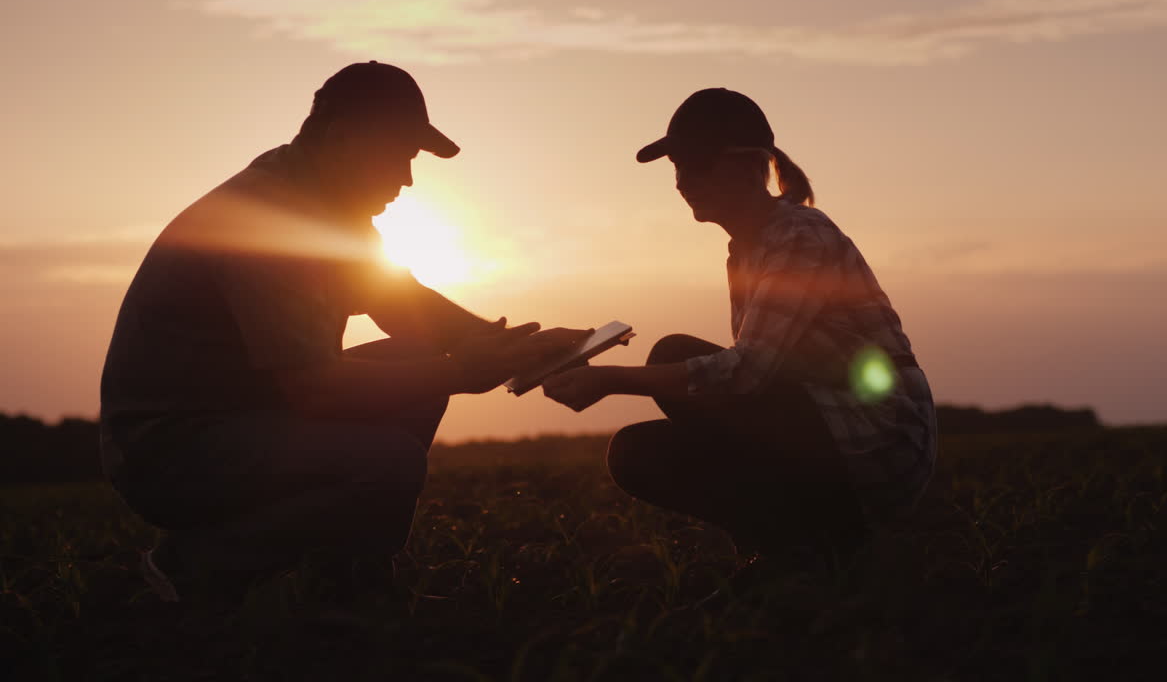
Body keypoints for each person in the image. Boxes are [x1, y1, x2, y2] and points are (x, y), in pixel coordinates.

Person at [100, 61, 585, 603]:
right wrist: (460, 371)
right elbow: (315, 388)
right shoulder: (268, 217)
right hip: (173, 453)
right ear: (341, 138)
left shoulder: (329, 207)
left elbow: (408, 308)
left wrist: (524, 349)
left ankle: (351, 580)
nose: (406, 178)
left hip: (244, 419)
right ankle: (195, 565)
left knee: (412, 359)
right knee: (390, 461)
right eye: (397, 155)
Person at [543, 88, 937, 571]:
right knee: (638, 450)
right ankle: (789, 546)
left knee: (671, 357)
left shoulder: (799, 236)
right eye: (677, 168)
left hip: (879, 438)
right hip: (827, 421)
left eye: (695, 164)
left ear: (749, 165)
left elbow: (748, 371)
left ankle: (822, 542)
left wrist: (610, 379)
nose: (682, 182)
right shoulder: (747, 250)